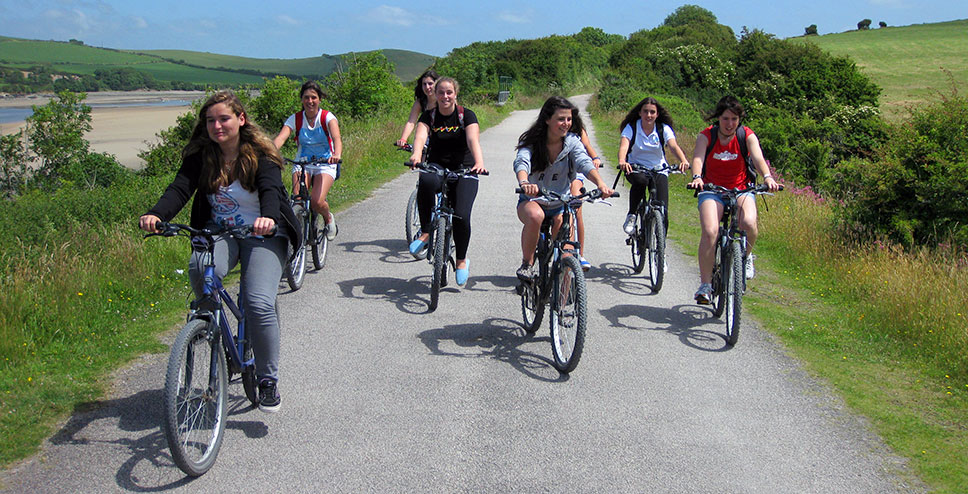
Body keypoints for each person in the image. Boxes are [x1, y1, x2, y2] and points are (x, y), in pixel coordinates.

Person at [140, 90, 300, 413]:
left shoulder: (261, 154)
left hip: (264, 234)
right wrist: (157, 214)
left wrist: (267, 218)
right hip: (222, 231)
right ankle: (210, 327)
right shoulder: (202, 156)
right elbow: (179, 189)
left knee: (256, 301)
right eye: (210, 120)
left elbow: (271, 189)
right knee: (200, 265)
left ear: (240, 119)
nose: (217, 126)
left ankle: (268, 380)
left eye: (224, 118)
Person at [687, 95, 779, 304]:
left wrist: (767, 177)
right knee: (710, 231)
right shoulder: (706, 136)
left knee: (748, 223)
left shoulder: (746, 135)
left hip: (741, 189)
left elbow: (757, 158)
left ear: (739, 120)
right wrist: (697, 177)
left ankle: (745, 258)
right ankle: (705, 285)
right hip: (712, 189)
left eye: (734, 119)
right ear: (718, 118)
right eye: (726, 119)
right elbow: (698, 158)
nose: (730, 124)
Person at [515, 96, 614, 281]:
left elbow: (584, 163)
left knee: (567, 254)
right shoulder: (533, 141)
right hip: (533, 200)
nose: (566, 123)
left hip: (560, 203)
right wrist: (524, 183)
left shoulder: (573, 142)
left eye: (569, 119)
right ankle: (527, 265)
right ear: (547, 119)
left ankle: (564, 300)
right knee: (536, 216)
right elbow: (522, 162)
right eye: (561, 119)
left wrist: (601, 184)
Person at [407, 77, 487, 286]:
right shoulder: (429, 116)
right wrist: (416, 155)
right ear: (435, 94)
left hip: (465, 168)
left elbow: (472, 140)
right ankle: (425, 233)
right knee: (425, 182)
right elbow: (420, 137)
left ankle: (461, 260)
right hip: (437, 166)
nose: (445, 96)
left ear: (455, 94)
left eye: (449, 92)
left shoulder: (466, 115)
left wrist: (479, 162)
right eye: (440, 92)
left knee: (461, 216)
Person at [617, 97, 689, 271]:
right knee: (640, 182)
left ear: (657, 114)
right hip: (636, 168)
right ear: (640, 113)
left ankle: (660, 254)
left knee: (663, 212)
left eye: (652, 112)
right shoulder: (632, 127)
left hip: (658, 169)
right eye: (646, 111)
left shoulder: (663, 129)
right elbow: (624, 146)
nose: (649, 115)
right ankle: (632, 215)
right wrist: (622, 160)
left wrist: (683, 160)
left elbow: (672, 146)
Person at [272, 80, 342, 241]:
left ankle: (328, 218)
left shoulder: (327, 117)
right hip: (302, 163)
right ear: (302, 99)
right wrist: (270, 153)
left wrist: (336, 154)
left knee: (317, 201)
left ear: (319, 99)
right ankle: (298, 235)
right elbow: (281, 138)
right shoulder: (295, 119)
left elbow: (337, 138)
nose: (310, 101)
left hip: (325, 163)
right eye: (306, 98)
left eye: (313, 97)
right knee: (297, 201)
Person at [568, 123, 603, 271]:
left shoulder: (577, 129)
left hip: (576, 171)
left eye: (570, 118)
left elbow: (587, 145)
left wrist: (595, 158)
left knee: (576, 205)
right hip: (556, 172)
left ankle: (579, 254)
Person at [395, 70, 438, 148]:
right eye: (424, 84)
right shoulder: (420, 102)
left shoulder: (445, 100)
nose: (427, 87)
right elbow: (411, 122)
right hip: (426, 137)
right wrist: (403, 139)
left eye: (430, 83)